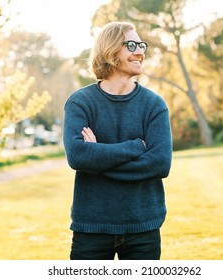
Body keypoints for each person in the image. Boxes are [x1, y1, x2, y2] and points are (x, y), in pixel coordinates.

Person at [63, 21, 172, 260]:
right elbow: (77, 156)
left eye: (141, 45)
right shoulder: (80, 102)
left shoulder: (154, 105)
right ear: (111, 50)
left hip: (143, 228)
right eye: (131, 45)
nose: (140, 51)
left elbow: (160, 164)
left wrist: (98, 158)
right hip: (91, 228)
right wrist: (135, 147)